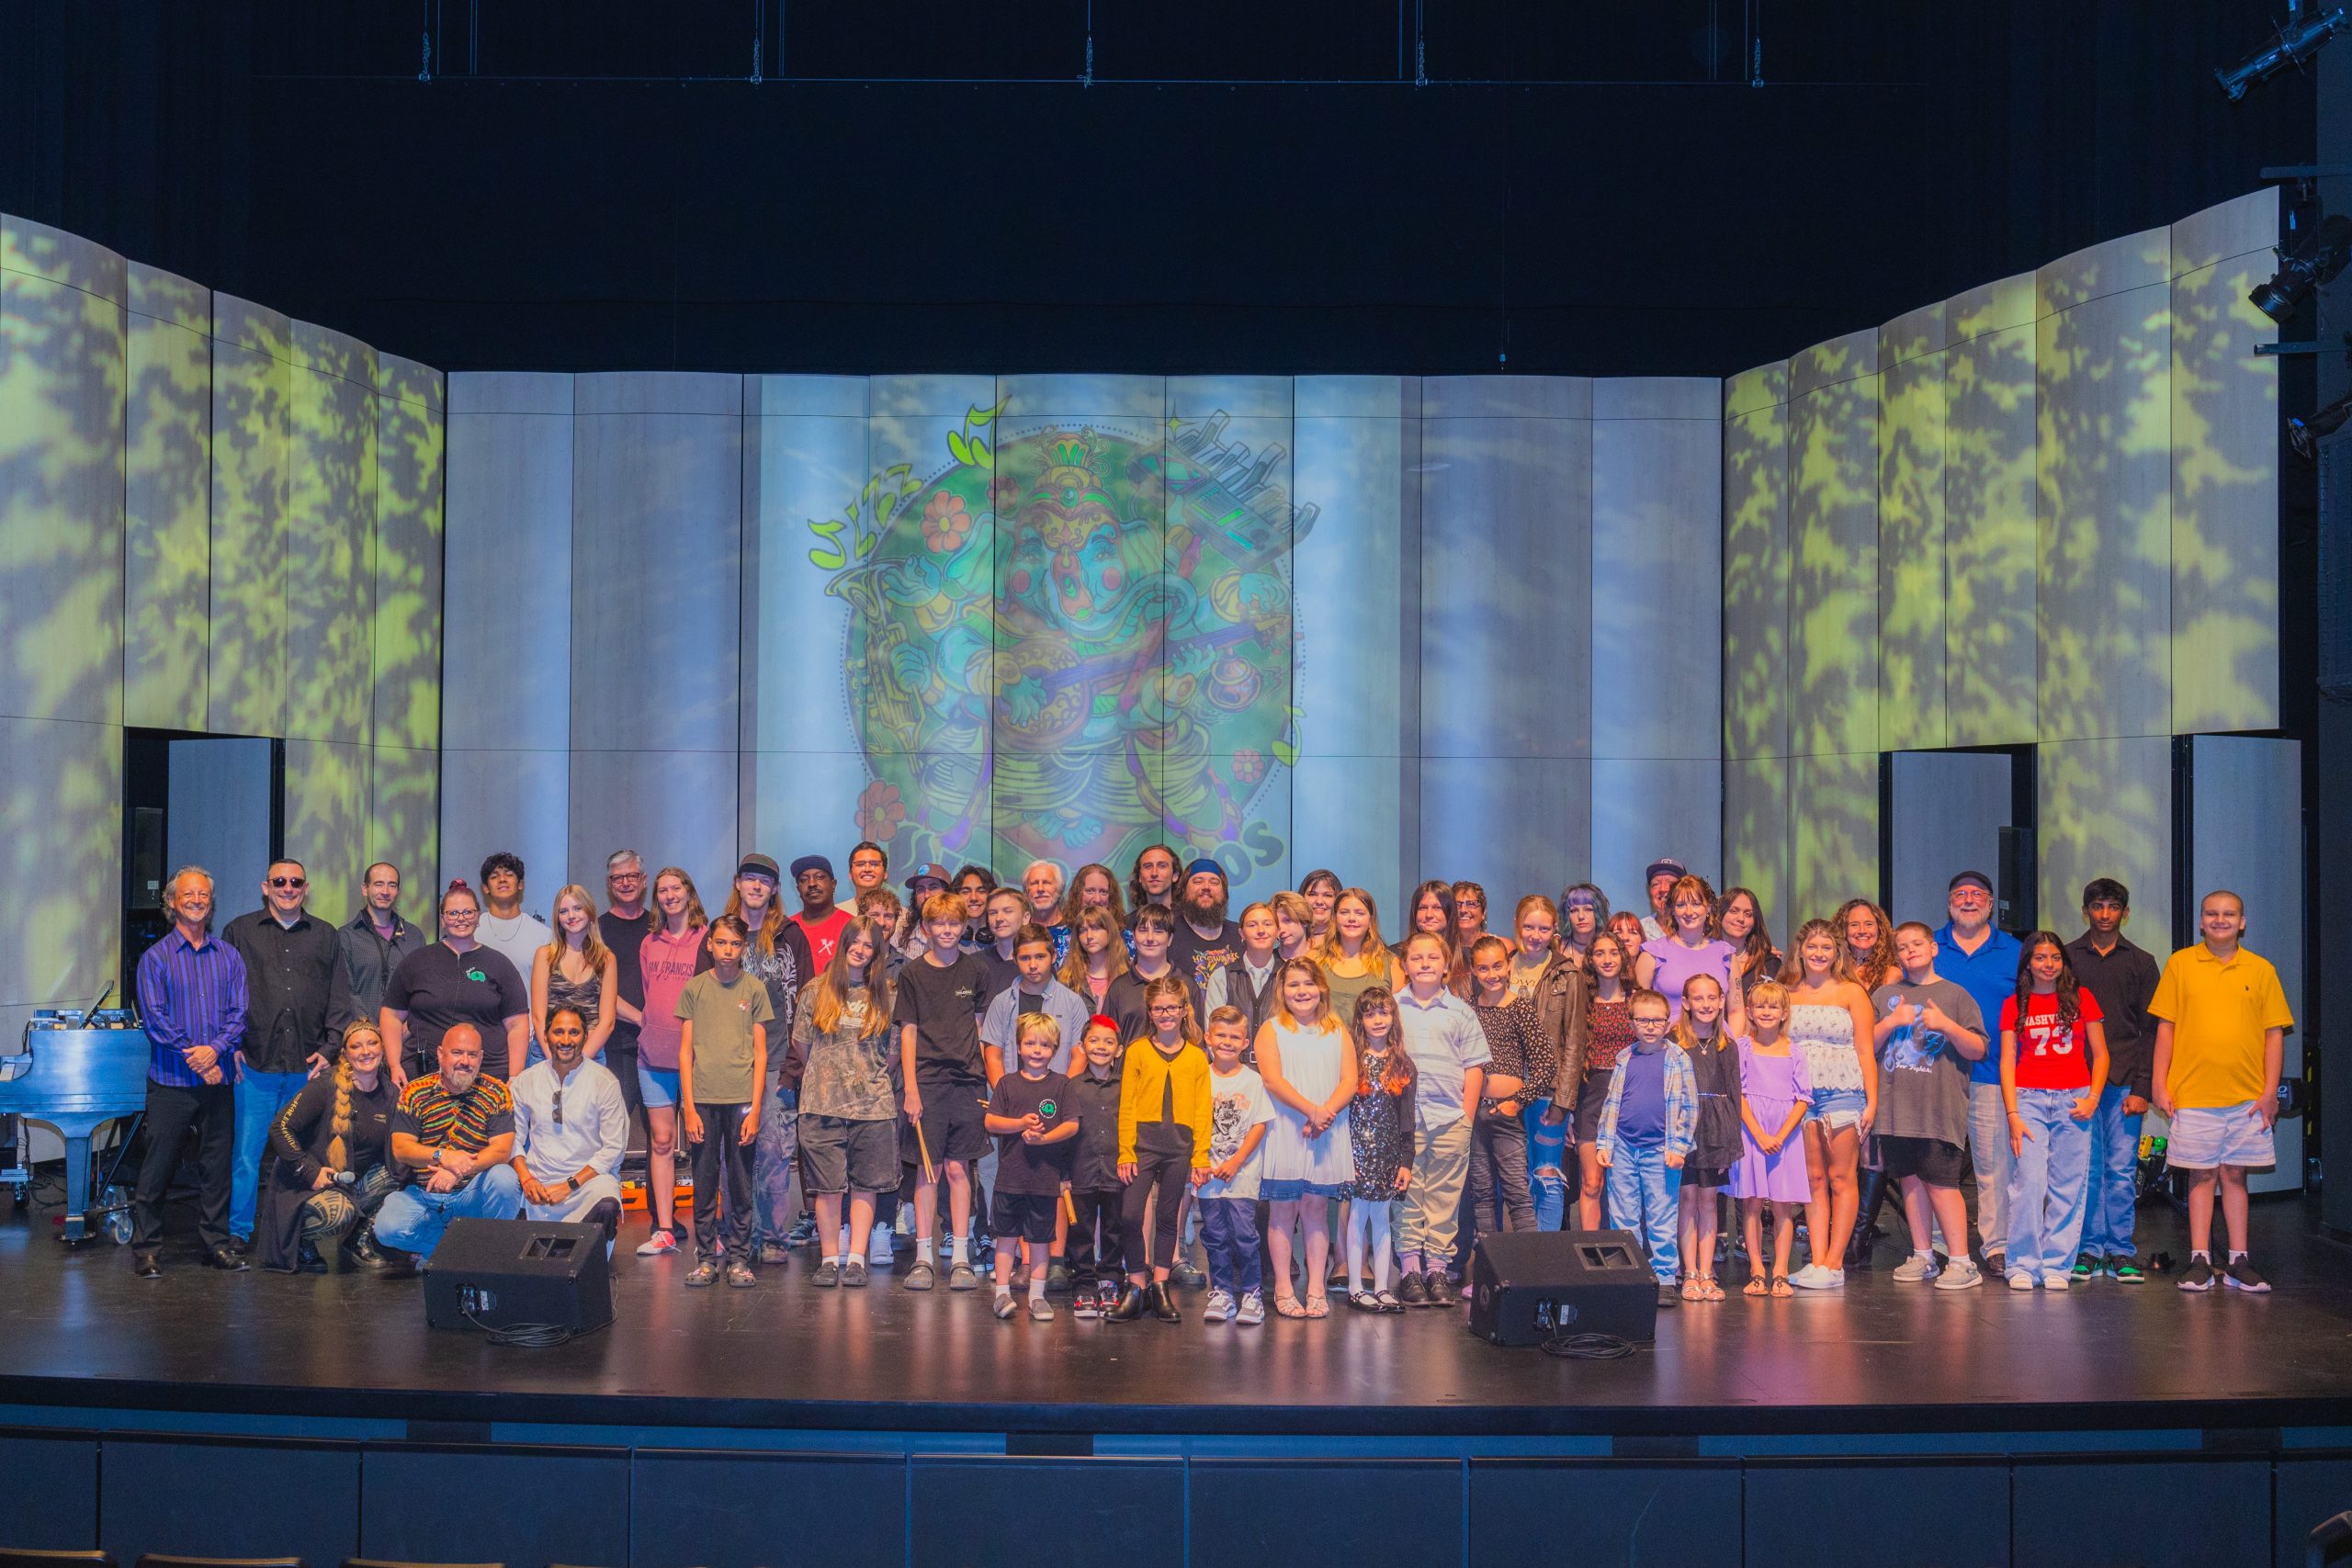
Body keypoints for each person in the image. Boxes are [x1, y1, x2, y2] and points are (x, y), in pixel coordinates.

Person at [2152, 890, 2293, 1293]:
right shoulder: (2180, 964)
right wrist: (2160, 1083)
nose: (2220, 920)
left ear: (2242, 922)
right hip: (2193, 1095)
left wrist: (2270, 1093)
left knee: (2235, 1175)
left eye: (2229, 914)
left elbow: (2274, 1035)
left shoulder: (2261, 970)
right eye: (2212, 913)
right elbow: (2166, 1028)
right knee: (2201, 1176)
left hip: (2248, 1099)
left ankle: (2238, 1261)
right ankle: (2200, 1259)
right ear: (2201, 921)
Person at [221, 857, 356, 1247]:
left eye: (296, 882)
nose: (288, 888)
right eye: (279, 882)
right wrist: (229, 1044)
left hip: (307, 1068)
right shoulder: (239, 931)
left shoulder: (326, 935)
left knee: (304, 1157)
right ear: (265, 887)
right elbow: (223, 993)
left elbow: (340, 998)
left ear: (305, 888)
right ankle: (239, 1232)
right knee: (246, 1157)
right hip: (253, 1065)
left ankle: (298, 1234)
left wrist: (331, 1048)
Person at [130, 866, 249, 1278]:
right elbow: (155, 1019)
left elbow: (239, 1014)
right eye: (188, 895)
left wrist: (214, 1052)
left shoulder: (229, 956)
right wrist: (198, 1059)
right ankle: (147, 1248)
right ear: (171, 902)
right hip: (171, 1083)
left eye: (203, 895)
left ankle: (216, 1245)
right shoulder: (155, 958)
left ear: (210, 903)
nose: (196, 901)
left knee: (217, 1169)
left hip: (218, 1080)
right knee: (157, 1168)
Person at [1869, 922, 1988, 1291]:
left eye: (1917, 944)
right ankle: (1923, 1255)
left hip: (1938, 1110)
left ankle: (1962, 1261)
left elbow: (1978, 1049)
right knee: (1910, 1181)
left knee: (1942, 1183)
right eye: (1902, 947)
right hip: (1896, 1110)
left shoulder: (1956, 995)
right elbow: (1866, 1046)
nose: (1910, 951)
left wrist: (1946, 1025)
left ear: (1934, 948)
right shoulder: (1885, 995)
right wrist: (1891, 1022)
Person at [715, 853, 815, 1266]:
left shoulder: (790, 936)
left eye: (765, 881)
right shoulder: (721, 934)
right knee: (731, 1155)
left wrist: (793, 1067)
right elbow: (705, 998)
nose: (756, 886)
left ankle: (773, 1236)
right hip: (729, 1064)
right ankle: (734, 1236)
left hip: (776, 1062)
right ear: (738, 883)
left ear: (774, 889)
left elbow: (806, 1000)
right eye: (750, 879)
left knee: (774, 1153)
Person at [1999, 931, 2109, 1292]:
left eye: (2055, 957)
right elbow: (2007, 1060)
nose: (2048, 964)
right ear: (2028, 963)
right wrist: (2013, 1114)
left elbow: (2101, 1055)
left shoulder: (2082, 998)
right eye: (2040, 957)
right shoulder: (2014, 1003)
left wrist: (2092, 1098)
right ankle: (2022, 1263)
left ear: (2064, 961)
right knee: (2029, 1182)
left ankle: (2057, 1264)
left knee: (2068, 1185)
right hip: (2028, 1098)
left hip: (2073, 1099)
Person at [896, 890, 992, 1291]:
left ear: (964, 925)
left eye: (954, 923)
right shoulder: (912, 973)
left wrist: (988, 1080)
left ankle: (962, 1257)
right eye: (939, 923)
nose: (947, 930)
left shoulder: (976, 970)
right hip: (928, 1083)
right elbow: (908, 1032)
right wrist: (911, 1090)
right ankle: (923, 1257)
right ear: (926, 927)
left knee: (958, 1168)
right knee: (928, 1169)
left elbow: (981, 1029)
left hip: (968, 1083)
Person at [794, 919, 897, 1288]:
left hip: (873, 1105)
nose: (860, 950)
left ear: (876, 952)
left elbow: (893, 1051)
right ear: (843, 944)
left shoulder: (888, 992)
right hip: (821, 1104)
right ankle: (829, 1260)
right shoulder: (815, 989)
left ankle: (855, 1259)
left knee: (865, 1184)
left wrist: (867, 1078)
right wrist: (828, 1075)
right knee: (827, 1186)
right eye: (855, 942)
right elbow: (801, 1044)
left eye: (869, 945)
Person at [2066, 878, 2160, 1283]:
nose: (2105, 915)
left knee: (2121, 1171)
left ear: (2125, 912)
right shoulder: (2067, 958)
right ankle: (2088, 1249)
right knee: (2086, 1170)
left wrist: (2143, 1088)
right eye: (2097, 907)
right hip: (2077, 1081)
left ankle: (2120, 1250)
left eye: (2113, 907)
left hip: (2124, 1080)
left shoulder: (2142, 962)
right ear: (2085, 911)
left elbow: (2151, 1032)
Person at [1255, 959, 1360, 1319]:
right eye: (1293, 985)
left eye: (1309, 984)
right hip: (1287, 1127)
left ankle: (1316, 1288)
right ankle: (1284, 1288)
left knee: (1316, 1209)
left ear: (1321, 988)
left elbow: (1350, 1079)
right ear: (1282, 991)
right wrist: (1310, 1111)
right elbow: (1272, 1080)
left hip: (1327, 1130)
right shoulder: (1271, 1029)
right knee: (1283, 1210)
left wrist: (1325, 1113)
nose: (1302, 991)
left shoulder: (1337, 1029)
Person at [1106, 976, 1213, 1324]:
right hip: (1142, 1146)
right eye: (1158, 1009)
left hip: (1179, 1148)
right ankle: (1136, 1284)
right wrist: (1126, 1151)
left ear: (1184, 1011)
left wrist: (1200, 1155)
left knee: (1168, 1219)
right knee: (1130, 1216)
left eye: (1172, 1008)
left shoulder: (1196, 1057)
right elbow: (1126, 1104)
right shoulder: (1137, 1051)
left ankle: (1160, 1286)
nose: (1165, 1014)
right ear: (1149, 1013)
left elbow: (1202, 1110)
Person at [1388, 931, 1487, 1307]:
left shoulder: (1461, 1012)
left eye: (1433, 957)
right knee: (1407, 1195)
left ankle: (1437, 1270)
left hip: (1449, 1118)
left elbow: (1474, 1066)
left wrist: (1466, 1117)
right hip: (1405, 1121)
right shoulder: (1393, 1007)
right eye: (1417, 958)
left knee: (1444, 1198)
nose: (1425, 963)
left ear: (1447, 966)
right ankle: (1410, 1270)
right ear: (1404, 965)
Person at [372, 1023, 522, 1267]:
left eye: (472, 1054)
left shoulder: (496, 1092)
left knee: (505, 1178)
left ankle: (484, 1253)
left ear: (481, 1058)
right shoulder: (415, 1091)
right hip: (423, 1195)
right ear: (441, 1054)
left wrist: (458, 1169)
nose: (465, 1061)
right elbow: (401, 1148)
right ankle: (460, 1253)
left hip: (471, 1193)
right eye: (457, 1053)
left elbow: (502, 1150)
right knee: (387, 1228)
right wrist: (443, 1156)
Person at [257, 1019, 398, 1273]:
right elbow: (279, 1128)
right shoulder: (325, 1085)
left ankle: (357, 1237)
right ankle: (301, 1241)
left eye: (372, 1043)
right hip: (304, 1185)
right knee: (338, 1214)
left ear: (383, 1048)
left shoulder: (391, 1094)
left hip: (348, 1183)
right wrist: (309, 1171)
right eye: (356, 1046)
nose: (366, 1051)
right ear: (345, 1054)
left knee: (401, 1172)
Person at [1935, 870, 2024, 1272]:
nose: (1968, 900)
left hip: (1993, 1075)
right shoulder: (1930, 946)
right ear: (1949, 903)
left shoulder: (2015, 951)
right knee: (1938, 1165)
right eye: (1960, 894)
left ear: (1990, 904)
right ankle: (1937, 1244)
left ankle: (1996, 1245)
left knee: (1994, 1166)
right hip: (1938, 1075)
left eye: (1977, 894)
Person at [678, 914, 773, 1288]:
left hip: (741, 1100)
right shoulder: (695, 988)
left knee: (740, 1183)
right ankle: (705, 1259)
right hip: (703, 1099)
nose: (728, 950)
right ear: (710, 945)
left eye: (735, 943)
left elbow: (761, 1054)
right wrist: (688, 1108)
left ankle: (738, 1259)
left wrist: (756, 1109)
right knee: (704, 1183)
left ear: (743, 947)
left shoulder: (755, 989)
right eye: (721, 942)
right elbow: (685, 1053)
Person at [1782, 919, 1877, 1291]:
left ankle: (1836, 1263)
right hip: (1800, 1097)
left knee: (1841, 1178)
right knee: (1813, 1180)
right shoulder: (1787, 990)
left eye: (1826, 947)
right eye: (1812, 946)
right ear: (1800, 950)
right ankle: (1818, 1260)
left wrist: (1871, 1102)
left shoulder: (1852, 991)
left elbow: (1866, 1050)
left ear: (1837, 953)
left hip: (1843, 1092)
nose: (1819, 953)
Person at [1595, 988, 1695, 1306]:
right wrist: (1604, 1143)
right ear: (1632, 1023)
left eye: (1657, 1020)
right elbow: (1611, 1103)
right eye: (1643, 1020)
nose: (1650, 1026)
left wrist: (1679, 1147)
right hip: (1623, 1147)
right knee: (1623, 1216)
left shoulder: (1678, 1058)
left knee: (1661, 1216)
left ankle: (1663, 1277)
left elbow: (1690, 1107)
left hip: (1661, 1150)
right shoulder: (1624, 1058)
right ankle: (1630, 1276)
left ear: (1668, 1023)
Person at [382, 881, 529, 1086]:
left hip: (487, 1077)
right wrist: (394, 1065)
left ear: (478, 917)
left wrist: (514, 1076)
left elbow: (517, 1024)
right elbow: (391, 1015)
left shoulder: (500, 964)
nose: (461, 919)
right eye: (453, 913)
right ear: (442, 919)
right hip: (423, 1076)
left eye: (468, 912)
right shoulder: (417, 961)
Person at [632, 867, 707, 1256]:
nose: (669, 895)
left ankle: (710, 1231)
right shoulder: (650, 942)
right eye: (662, 890)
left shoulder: (708, 938)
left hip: (699, 1058)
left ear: (689, 892)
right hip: (654, 1055)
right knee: (661, 1142)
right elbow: (650, 994)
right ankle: (664, 1227)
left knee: (704, 1144)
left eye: (676, 887)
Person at [985, 1012, 1080, 1323]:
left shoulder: (1062, 1085)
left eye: (1045, 1045)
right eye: (1030, 1044)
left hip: (1044, 1179)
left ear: (1055, 1049)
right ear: (1018, 1047)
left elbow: (1072, 1125)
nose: (1037, 1050)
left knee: (1040, 1240)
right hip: (1010, 1178)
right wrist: (1020, 1124)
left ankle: (1037, 1296)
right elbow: (991, 1121)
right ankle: (1002, 1293)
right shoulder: (1007, 1084)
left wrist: (1044, 1139)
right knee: (1006, 1237)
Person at [507, 1005, 627, 1248]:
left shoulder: (604, 1082)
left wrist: (569, 1185)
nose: (565, 1040)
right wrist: (527, 1179)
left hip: (587, 1184)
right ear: (545, 1036)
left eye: (574, 1032)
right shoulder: (525, 1081)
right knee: (506, 1185)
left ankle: (581, 1256)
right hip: (538, 1184)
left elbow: (614, 1148)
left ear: (585, 1036)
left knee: (606, 1202)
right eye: (558, 1032)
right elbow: (513, 1139)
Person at [1194, 1005, 1275, 1325]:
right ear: (1208, 1038)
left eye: (1234, 1037)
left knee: (1244, 1235)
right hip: (1208, 1175)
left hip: (1242, 1176)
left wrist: (1237, 1160)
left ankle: (1252, 1294)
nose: (1227, 1042)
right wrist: (1198, 1163)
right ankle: (1223, 1292)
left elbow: (1259, 1124)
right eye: (1221, 1035)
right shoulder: (1200, 1077)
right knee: (1215, 1236)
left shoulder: (1252, 1080)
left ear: (1245, 1042)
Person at [1464, 935, 1546, 1238]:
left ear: (1508, 965)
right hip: (1474, 1112)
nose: (1492, 974)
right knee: (1481, 1193)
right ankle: (1490, 1262)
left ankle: (1528, 1264)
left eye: (1497, 966)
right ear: (1473, 971)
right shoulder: (1467, 1009)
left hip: (1507, 1112)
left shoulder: (1520, 1008)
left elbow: (1545, 1064)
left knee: (1517, 1193)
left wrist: (1518, 1102)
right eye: (1483, 968)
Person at [1731, 981, 1810, 1296]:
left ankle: (1780, 1271)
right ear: (1750, 1012)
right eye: (1760, 1006)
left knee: (1782, 1205)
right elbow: (1738, 1094)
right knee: (1751, 1203)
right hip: (1752, 1133)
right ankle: (1756, 1270)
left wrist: (1779, 1135)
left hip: (1784, 1137)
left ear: (1784, 1013)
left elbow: (1802, 1099)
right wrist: (1760, 1135)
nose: (1766, 1012)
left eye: (1773, 1006)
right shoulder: (1743, 1047)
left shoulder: (1794, 1050)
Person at [1340, 987, 1415, 1312]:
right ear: (1360, 1021)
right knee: (1357, 1216)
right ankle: (1356, 1287)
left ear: (1393, 1017)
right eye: (1370, 1014)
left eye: (1384, 1013)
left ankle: (1383, 1287)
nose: (1378, 1020)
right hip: (1357, 1152)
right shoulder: (1352, 1061)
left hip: (1388, 1155)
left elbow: (1407, 1119)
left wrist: (1406, 1160)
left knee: (1383, 1218)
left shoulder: (1403, 1064)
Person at [1674, 974, 1742, 1303]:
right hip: (1684, 1128)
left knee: (1709, 1201)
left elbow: (1735, 1095)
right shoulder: (1673, 1043)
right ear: (1686, 1003)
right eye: (1698, 998)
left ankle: (1706, 1271)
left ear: (1721, 1001)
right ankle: (1689, 1271)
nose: (1705, 1004)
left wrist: (1731, 1142)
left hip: (1716, 1130)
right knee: (1687, 1199)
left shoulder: (1727, 1046)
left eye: (1712, 998)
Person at [1062, 1016, 1128, 1312]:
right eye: (1094, 1040)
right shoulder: (1071, 1087)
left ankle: (1110, 1279)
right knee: (1081, 1233)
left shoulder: (1127, 1086)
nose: (1101, 1047)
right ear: (1081, 1046)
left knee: (1115, 1230)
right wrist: (1063, 1174)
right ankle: (1085, 1284)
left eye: (1108, 1042)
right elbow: (1065, 1133)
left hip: (1117, 1171)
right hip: (1081, 1170)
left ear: (1119, 1050)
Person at [1573, 931, 1638, 1230]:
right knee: (1591, 1183)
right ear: (1590, 960)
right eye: (1600, 953)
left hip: (1629, 1097)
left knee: (1623, 1186)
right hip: (1591, 1096)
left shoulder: (1637, 1000)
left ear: (1623, 957)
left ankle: (1624, 1250)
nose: (1607, 959)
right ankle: (1590, 1250)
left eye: (1613, 952)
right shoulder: (1582, 1001)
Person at [597, 850, 653, 1179]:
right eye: (618, 878)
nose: (626, 883)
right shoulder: (597, 929)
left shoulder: (659, 925)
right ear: (609, 883)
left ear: (644, 880)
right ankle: (605, 1199)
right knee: (610, 1135)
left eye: (632, 876)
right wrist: (641, 1019)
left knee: (661, 1137)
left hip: (658, 1047)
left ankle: (659, 1207)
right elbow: (597, 987)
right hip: (614, 1045)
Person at [981, 923, 1091, 1077]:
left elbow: (1080, 1057)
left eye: (1040, 957)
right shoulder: (1001, 1003)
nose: (1033, 965)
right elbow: (992, 1057)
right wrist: (1004, 1093)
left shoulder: (1073, 1003)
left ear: (1053, 956)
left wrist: (1063, 1091)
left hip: (1060, 1091)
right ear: (1015, 960)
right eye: (1025, 958)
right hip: (1010, 1091)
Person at [530, 884, 616, 1070]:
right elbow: (538, 1017)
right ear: (557, 917)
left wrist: (578, 1063)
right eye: (564, 911)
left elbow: (607, 1022)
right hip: (546, 1053)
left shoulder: (606, 959)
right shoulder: (545, 955)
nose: (571, 916)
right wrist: (556, 1061)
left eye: (577, 908)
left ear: (589, 912)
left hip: (591, 1054)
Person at [338, 862, 425, 1031]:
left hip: (406, 1036)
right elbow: (347, 992)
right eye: (378, 884)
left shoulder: (415, 937)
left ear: (398, 891)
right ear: (365, 889)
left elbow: (422, 990)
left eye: (392, 885)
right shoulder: (346, 936)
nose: (385, 891)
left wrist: (403, 1030)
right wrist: (372, 1031)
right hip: (362, 1038)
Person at [1637, 875, 1736, 1021]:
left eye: (1696, 904)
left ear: (1708, 907)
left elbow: (1736, 1011)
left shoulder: (1726, 954)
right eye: (1681, 905)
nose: (1689, 912)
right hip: (1669, 1035)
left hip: (1718, 1036)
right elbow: (1638, 1010)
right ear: (1672, 910)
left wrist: (1733, 1037)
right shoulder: (1652, 953)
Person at [1104, 903, 1204, 1045]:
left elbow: (1198, 1042)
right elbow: (1106, 1040)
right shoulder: (1119, 988)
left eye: (1158, 931)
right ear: (1134, 937)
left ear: (1170, 939)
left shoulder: (1187, 985)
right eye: (1143, 930)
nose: (1150, 938)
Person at [1203, 900, 1284, 1062]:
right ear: (1241, 933)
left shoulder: (1288, 976)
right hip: (1233, 1070)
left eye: (1267, 924)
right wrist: (1234, 1073)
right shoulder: (1221, 977)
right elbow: (1214, 1036)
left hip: (1280, 1070)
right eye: (1252, 925)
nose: (1261, 931)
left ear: (1278, 931)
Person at [1312, 886, 1402, 1026]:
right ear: (1334, 918)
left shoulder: (1392, 964)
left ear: (1370, 920)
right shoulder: (1315, 959)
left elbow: (1399, 1019)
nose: (1352, 919)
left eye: (1360, 913)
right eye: (1344, 912)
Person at [1170, 857, 1245, 987]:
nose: (1206, 887)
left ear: (1224, 893)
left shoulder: (1240, 935)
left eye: (1214, 882)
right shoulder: (1168, 933)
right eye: (1198, 881)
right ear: (1183, 890)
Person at [1718, 886, 1781, 1016]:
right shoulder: (1705, 956)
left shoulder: (1769, 963)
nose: (1741, 918)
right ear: (1720, 913)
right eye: (1734, 911)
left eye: (1748, 914)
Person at [1059, 904, 1130, 1016]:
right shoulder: (1067, 980)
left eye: (1096, 928)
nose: (1089, 936)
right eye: (1082, 930)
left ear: (1110, 931)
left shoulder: (1129, 977)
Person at [787, 854, 854, 972]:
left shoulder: (851, 926)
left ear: (833, 885)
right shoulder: (787, 928)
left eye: (819, 877)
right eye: (804, 880)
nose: (812, 884)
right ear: (798, 889)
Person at [1057, 863, 1130, 968]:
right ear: (1078, 894)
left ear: (1111, 897)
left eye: (1103, 892)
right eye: (1090, 891)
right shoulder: (1058, 938)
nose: (1097, 899)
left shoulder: (1127, 938)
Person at [975, 886, 1033, 998]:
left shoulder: (1039, 964)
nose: (999, 918)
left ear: (1025, 918)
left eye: (1007, 911)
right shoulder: (975, 963)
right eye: (993, 913)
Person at [1835, 898, 1898, 994]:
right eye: (1854, 925)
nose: (1862, 931)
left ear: (1880, 928)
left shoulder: (1891, 974)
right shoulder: (1832, 970)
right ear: (1843, 929)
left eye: (1869, 924)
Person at [1556, 883, 1608, 977]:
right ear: (1567, 915)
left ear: (1598, 912)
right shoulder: (1557, 948)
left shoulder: (1611, 947)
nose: (1581, 916)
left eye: (1588, 909)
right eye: (1574, 910)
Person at [1639, 858, 1686, 942]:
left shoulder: (1697, 928)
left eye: (1671, 883)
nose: (1663, 889)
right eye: (1656, 884)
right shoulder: (1639, 930)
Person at [1127, 844, 1181, 919]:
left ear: (1175, 876)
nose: (1154, 873)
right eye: (1148, 866)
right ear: (1140, 877)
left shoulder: (1190, 922)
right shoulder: (1127, 923)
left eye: (1162, 866)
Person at [1022, 860, 1068, 933]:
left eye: (1046, 883)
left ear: (1060, 890)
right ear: (1026, 892)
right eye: (1034, 883)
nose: (1040, 889)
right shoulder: (1019, 931)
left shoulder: (1075, 930)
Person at [1451, 880, 1487, 950]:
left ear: (1484, 912)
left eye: (1471, 904)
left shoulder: (1503, 947)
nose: (1463, 910)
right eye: (1457, 904)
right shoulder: (1441, 948)